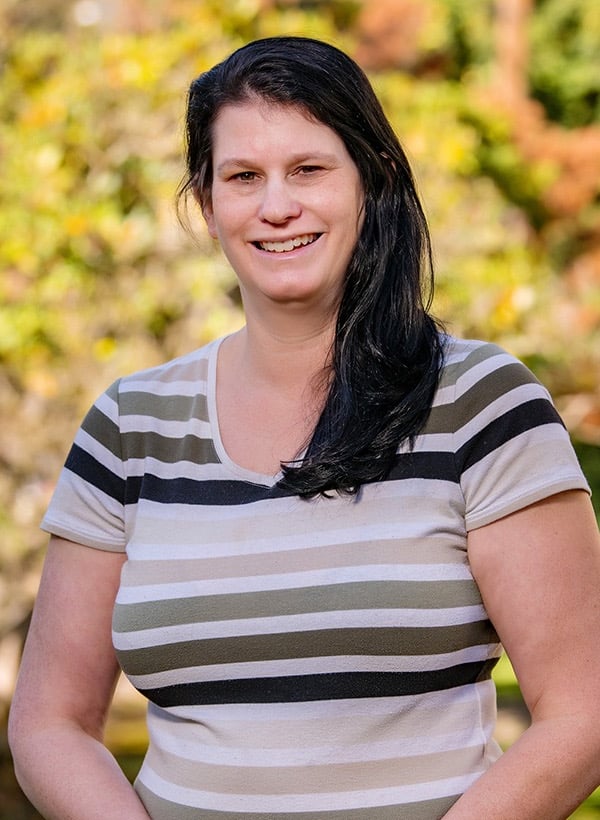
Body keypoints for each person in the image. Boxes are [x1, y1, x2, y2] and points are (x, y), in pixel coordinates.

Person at [8, 35, 600, 820]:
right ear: (208, 203)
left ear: (374, 178)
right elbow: (51, 723)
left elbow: (583, 713)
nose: (276, 205)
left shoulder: (482, 405)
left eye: (309, 169)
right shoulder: (130, 425)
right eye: (243, 177)